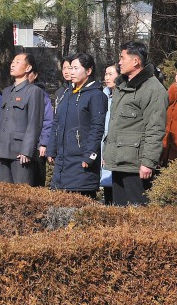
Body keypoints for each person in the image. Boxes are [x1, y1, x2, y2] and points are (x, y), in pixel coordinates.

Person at [102, 41, 167, 206]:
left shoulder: (153, 90)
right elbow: (116, 125)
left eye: (123, 58)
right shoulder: (122, 86)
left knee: (138, 211)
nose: (119, 62)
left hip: (137, 165)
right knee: (119, 211)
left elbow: (155, 128)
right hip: (119, 161)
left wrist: (148, 162)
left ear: (136, 61)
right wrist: (107, 153)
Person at [48, 53, 107, 197]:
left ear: (89, 70)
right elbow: (56, 122)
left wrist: (89, 155)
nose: (71, 72)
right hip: (63, 159)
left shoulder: (96, 95)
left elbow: (97, 127)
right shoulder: (66, 93)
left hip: (81, 160)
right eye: (69, 68)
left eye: (75, 68)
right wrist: (51, 148)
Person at [0, 52, 46, 185]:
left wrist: (27, 150)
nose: (13, 64)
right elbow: (0, 122)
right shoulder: (6, 91)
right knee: (4, 193)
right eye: (13, 61)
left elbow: (34, 123)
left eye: (17, 62)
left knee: (22, 193)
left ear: (28, 68)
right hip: (3, 149)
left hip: (20, 152)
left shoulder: (34, 91)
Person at [29, 66, 53, 188]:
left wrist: (43, 143)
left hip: (37, 145)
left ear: (35, 75)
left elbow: (48, 119)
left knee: (37, 180)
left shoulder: (42, 95)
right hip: (19, 145)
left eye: (29, 73)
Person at [98, 63, 119, 204]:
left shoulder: (121, 97)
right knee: (106, 185)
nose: (107, 77)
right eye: (106, 74)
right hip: (103, 144)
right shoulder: (103, 96)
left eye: (111, 74)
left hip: (115, 146)